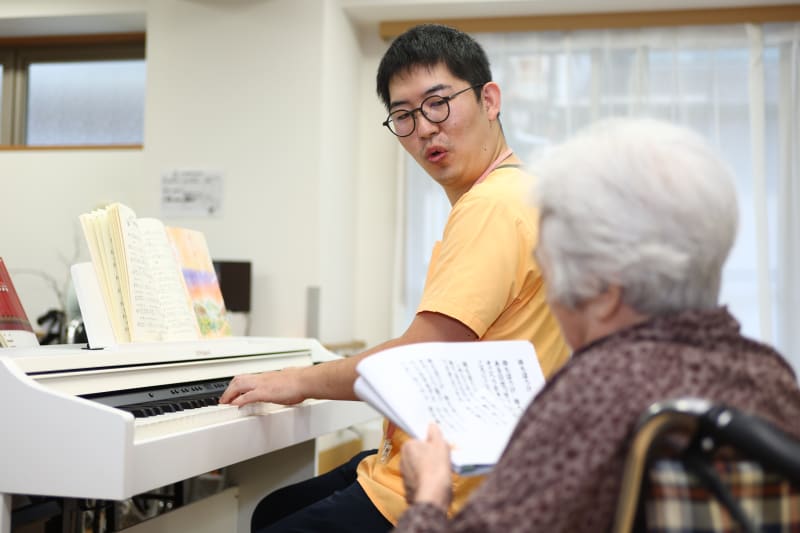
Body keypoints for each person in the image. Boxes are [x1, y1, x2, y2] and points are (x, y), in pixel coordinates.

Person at [219, 23, 570, 532]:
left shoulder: (492, 207)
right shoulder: (524, 193)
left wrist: (297, 381)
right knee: (271, 510)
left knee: (273, 523)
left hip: (453, 487)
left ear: (490, 100)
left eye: (438, 103)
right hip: (470, 466)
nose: (424, 127)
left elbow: (417, 359)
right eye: (402, 116)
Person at [395, 117, 800, 533]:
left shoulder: (592, 395)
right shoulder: (773, 379)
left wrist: (429, 496)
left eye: (552, 273)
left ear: (605, 292)